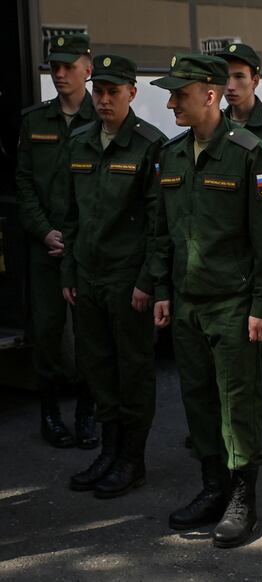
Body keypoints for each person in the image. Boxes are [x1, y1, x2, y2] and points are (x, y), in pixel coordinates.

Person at [150, 53, 262, 548]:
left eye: (179, 95)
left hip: (234, 303)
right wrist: (163, 291)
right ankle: (213, 486)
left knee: (239, 403)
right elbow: (162, 234)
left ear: (209, 95)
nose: (170, 103)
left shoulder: (249, 152)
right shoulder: (170, 155)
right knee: (199, 401)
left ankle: (242, 498)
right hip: (187, 302)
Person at [61, 54, 166, 497]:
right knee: (98, 366)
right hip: (88, 275)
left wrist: (147, 280)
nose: (104, 100)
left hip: (127, 279)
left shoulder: (150, 144)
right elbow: (71, 214)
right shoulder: (81, 141)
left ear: (131, 93)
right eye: (99, 91)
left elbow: (159, 223)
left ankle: (132, 459)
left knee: (133, 370)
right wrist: (68, 268)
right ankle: (108, 450)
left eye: (113, 92)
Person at [15, 32, 98, 449]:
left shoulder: (101, 119)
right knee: (47, 330)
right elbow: (24, 183)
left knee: (88, 333)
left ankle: (87, 413)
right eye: (55, 66)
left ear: (88, 67)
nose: (60, 74)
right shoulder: (35, 121)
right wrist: (44, 230)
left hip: (85, 249)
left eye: (69, 66)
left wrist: (79, 236)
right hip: (45, 245)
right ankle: (50, 413)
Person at [218, 43, 262, 178]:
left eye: (239, 77)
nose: (231, 86)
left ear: (255, 81)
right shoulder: (216, 125)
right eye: (226, 77)